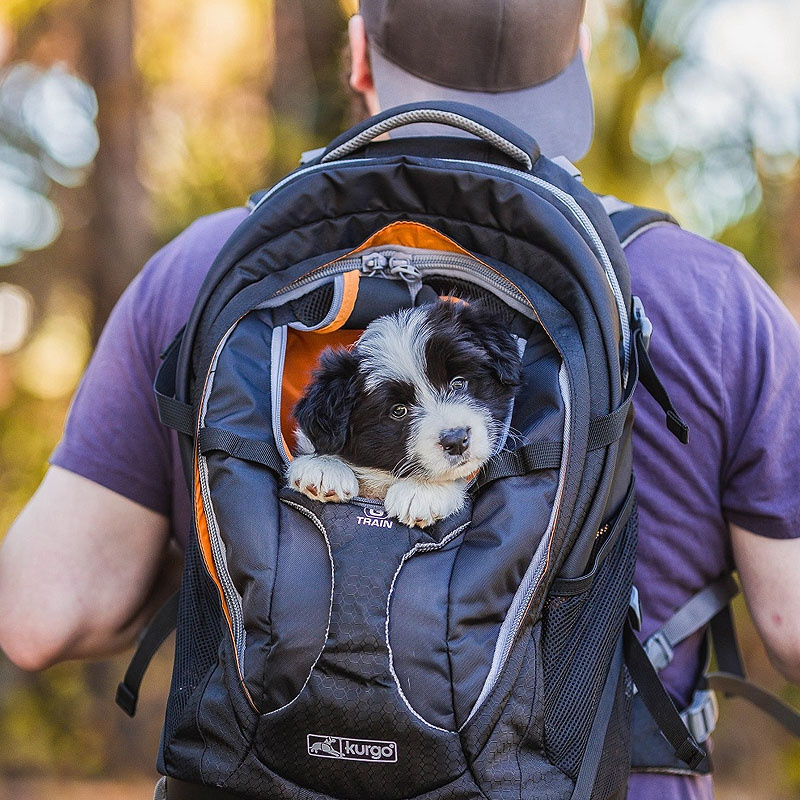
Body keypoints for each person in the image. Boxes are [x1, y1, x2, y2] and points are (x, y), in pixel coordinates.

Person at [1, 1, 799, 798]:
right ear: (579, 53)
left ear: (358, 55)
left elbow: (40, 615)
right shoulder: (710, 297)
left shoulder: (202, 269)